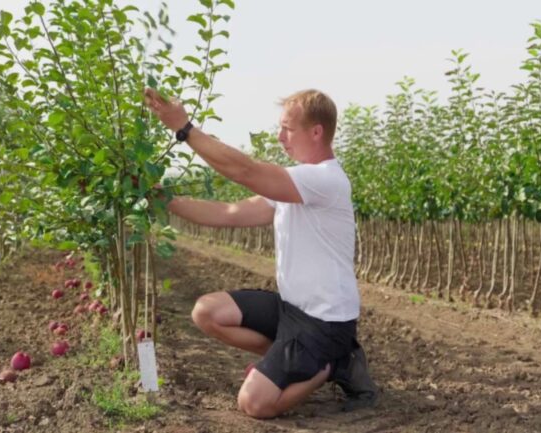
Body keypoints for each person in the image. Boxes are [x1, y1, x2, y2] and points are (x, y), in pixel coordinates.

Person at [144, 88, 378, 419]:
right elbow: (229, 213)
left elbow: (246, 172)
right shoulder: (294, 186)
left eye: (288, 129)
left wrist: (185, 129)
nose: (280, 137)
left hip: (324, 323)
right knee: (206, 311)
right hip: (292, 311)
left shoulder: (324, 179)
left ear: (316, 131)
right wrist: (162, 200)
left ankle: (331, 364)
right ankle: (291, 361)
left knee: (253, 404)